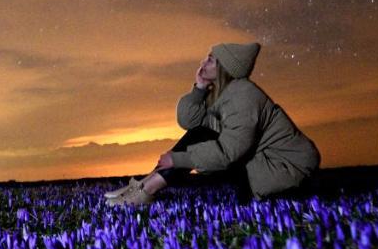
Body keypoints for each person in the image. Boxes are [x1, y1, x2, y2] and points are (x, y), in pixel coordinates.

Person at [105, 42, 320, 206]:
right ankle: (143, 186)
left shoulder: (244, 96)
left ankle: (147, 191)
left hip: (283, 172)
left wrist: (178, 159)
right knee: (200, 132)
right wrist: (198, 88)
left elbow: (229, 151)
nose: (202, 64)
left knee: (200, 138)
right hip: (257, 162)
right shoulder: (221, 94)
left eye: (210, 60)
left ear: (224, 68)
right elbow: (189, 121)